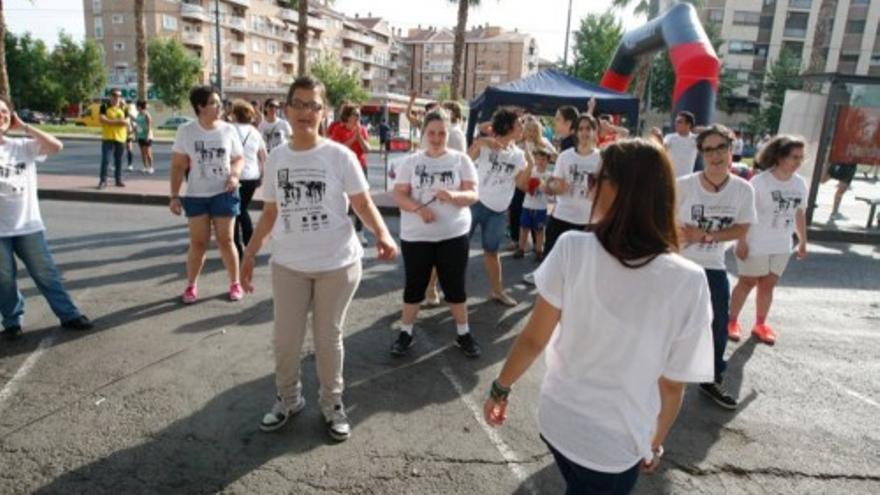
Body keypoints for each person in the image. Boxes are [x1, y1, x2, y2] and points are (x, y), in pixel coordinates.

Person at [483, 138, 713, 495]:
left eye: (596, 179)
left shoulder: (572, 248)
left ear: (618, 189)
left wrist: (501, 389)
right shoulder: (688, 280)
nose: (589, 187)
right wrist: (653, 443)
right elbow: (672, 385)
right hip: (617, 442)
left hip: (557, 420)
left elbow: (533, 338)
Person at [241, 76, 398, 441]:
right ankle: (289, 399)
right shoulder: (277, 158)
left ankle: (332, 404)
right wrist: (249, 254)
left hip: (338, 265)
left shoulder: (339, 155)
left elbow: (362, 203)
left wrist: (384, 234)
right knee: (286, 339)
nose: (306, 112)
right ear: (286, 108)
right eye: (299, 103)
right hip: (289, 265)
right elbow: (269, 214)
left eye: (314, 105)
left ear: (323, 112)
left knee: (328, 338)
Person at [676, 124, 757, 410]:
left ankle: (710, 378)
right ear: (701, 154)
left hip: (713, 265)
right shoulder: (684, 185)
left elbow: (742, 227)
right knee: (669, 321)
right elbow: (665, 221)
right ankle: (655, 374)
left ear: (732, 149)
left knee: (718, 323)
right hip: (678, 265)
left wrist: (707, 236)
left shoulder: (743, 190)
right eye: (708, 149)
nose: (715, 155)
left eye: (721, 148)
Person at [1, 95, 93, 340]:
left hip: (27, 225)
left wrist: (25, 127)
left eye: (5, 112)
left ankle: (69, 314)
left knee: (45, 272)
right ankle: (12, 321)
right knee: (4, 278)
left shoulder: (21, 146)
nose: (2, 116)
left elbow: (56, 146)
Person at [390, 108, 480, 358]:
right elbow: (398, 194)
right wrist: (419, 209)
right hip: (417, 236)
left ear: (448, 133)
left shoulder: (461, 160)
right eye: (432, 132)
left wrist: (454, 196)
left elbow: (473, 194)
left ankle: (463, 333)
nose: (437, 138)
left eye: (442, 133)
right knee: (414, 286)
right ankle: (405, 332)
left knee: (455, 286)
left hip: (454, 233)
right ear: (424, 133)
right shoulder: (411, 161)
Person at [729, 135, 808, 346]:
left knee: (768, 285)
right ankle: (731, 321)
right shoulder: (760, 182)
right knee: (747, 282)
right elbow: (744, 213)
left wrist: (802, 240)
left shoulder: (800, 183)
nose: (798, 162)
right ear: (780, 157)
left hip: (782, 244)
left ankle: (760, 325)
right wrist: (741, 241)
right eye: (794, 157)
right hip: (756, 242)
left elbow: (799, 213)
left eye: (801, 158)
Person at [169, 86, 245, 303]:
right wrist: (174, 196)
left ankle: (234, 283)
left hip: (225, 193)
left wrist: (235, 176)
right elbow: (178, 165)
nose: (219, 106)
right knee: (199, 242)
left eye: (219, 102)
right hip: (196, 195)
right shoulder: (186, 131)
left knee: (227, 239)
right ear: (200, 107)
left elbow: (238, 158)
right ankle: (191, 285)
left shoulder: (228, 130)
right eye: (214, 102)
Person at [468, 107, 527, 307]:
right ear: (509, 126)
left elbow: (520, 184)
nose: (522, 127)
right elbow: (465, 161)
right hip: (475, 203)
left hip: (499, 211)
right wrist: (481, 142)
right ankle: (431, 287)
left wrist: (532, 166)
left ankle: (497, 291)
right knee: (455, 248)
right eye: (519, 123)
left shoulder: (519, 155)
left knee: (492, 252)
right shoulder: (486, 144)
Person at [543, 114, 601, 257]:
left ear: (595, 132)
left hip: (587, 221)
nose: (584, 133)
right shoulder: (565, 156)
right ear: (575, 132)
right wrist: (555, 186)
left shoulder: (602, 158)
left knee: (581, 268)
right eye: (580, 129)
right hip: (562, 217)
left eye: (588, 128)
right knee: (553, 262)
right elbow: (553, 184)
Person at [328, 103, 371, 246]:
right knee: (342, 200)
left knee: (361, 201)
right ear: (348, 116)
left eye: (359, 115)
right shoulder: (338, 129)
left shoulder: (362, 130)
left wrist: (359, 137)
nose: (358, 118)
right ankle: (341, 232)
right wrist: (353, 138)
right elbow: (337, 149)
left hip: (360, 167)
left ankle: (360, 233)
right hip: (342, 169)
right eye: (356, 115)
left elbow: (367, 149)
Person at [229, 99, 267, 259]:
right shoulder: (255, 132)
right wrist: (262, 174)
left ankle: (239, 247)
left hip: (234, 175)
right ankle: (249, 244)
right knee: (241, 209)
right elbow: (263, 155)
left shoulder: (229, 129)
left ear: (235, 114)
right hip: (252, 176)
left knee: (236, 211)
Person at [514, 146, 552, 262]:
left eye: (543, 159)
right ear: (534, 160)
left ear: (548, 161)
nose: (540, 162)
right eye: (538, 159)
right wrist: (529, 186)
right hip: (527, 205)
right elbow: (521, 183)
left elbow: (551, 192)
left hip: (541, 207)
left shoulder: (550, 175)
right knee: (524, 228)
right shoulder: (530, 171)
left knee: (539, 230)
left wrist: (543, 185)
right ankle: (521, 248)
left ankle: (539, 250)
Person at [98, 89, 128, 189]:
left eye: (119, 96)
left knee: (119, 160)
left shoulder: (124, 107)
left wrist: (109, 121)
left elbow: (126, 122)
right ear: (110, 96)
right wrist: (118, 122)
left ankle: (118, 180)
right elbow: (102, 119)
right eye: (115, 95)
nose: (117, 98)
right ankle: (103, 181)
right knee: (106, 160)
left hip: (121, 137)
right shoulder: (104, 106)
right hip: (108, 137)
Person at [664, 111, 699, 178]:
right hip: (670, 178)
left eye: (679, 122)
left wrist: (699, 129)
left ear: (688, 124)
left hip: (687, 180)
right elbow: (663, 147)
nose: (676, 124)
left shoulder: (696, 139)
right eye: (676, 121)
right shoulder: (669, 137)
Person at [134, 100, 155, 175]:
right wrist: (136, 135)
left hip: (147, 136)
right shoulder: (138, 114)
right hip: (140, 136)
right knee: (143, 153)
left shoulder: (147, 114)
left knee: (148, 152)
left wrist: (147, 136)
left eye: (136, 106)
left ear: (139, 106)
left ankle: (151, 167)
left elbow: (149, 126)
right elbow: (137, 125)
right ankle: (145, 167)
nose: (136, 107)